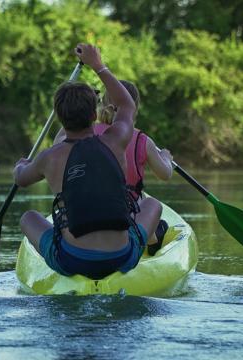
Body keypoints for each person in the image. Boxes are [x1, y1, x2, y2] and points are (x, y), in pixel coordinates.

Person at [14, 43, 162, 280]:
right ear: (94, 116)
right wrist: (98, 65)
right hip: (121, 256)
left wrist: (20, 165)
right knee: (153, 205)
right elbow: (127, 105)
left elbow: (21, 179)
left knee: (28, 218)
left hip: (73, 260)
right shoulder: (115, 141)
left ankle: (57, 255)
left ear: (60, 119)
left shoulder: (48, 157)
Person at [54, 80, 174, 255]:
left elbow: (58, 142)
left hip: (86, 209)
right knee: (147, 202)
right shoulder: (142, 140)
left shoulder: (84, 132)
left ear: (100, 104)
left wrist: (81, 110)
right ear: (134, 108)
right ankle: (152, 236)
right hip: (127, 210)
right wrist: (165, 158)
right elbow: (165, 174)